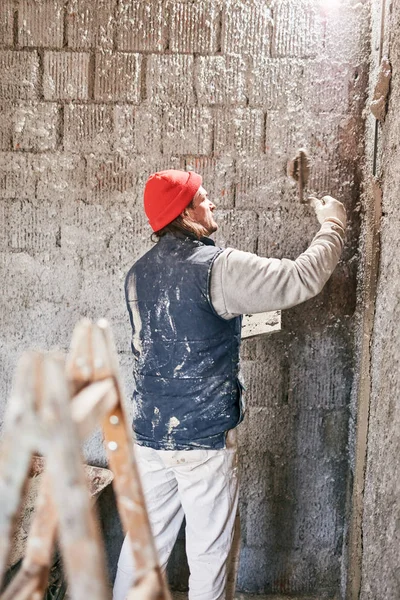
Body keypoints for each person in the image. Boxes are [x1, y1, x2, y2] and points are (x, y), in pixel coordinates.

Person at [113, 169, 346, 600]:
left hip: (149, 434)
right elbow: (300, 279)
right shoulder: (220, 268)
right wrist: (333, 224)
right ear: (185, 213)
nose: (212, 203)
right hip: (203, 441)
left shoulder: (136, 275)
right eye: (202, 198)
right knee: (209, 556)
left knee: (143, 548)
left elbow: (155, 344)